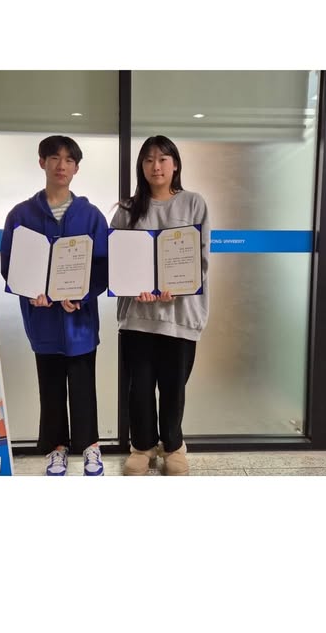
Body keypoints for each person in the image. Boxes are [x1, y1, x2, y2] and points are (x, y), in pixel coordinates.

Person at [0, 135, 108, 476]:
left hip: (80, 321)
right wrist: (30, 291)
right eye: (54, 158)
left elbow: (103, 267)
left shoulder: (91, 216)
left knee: (83, 385)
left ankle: (90, 446)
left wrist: (83, 295)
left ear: (76, 168)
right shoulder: (21, 215)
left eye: (69, 160)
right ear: (42, 162)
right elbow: (10, 264)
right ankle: (56, 448)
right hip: (43, 318)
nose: (61, 165)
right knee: (50, 387)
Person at [110, 135, 210, 476]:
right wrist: (131, 285)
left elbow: (202, 258)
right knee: (138, 389)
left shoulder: (194, 203)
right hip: (137, 318)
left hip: (179, 317)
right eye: (149, 160)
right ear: (141, 166)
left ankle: (173, 447)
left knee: (173, 388)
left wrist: (178, 288)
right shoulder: (127, 210)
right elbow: (116, 260)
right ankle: (142, 447)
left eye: (163, 159)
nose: (156, 166)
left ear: (175, 164)